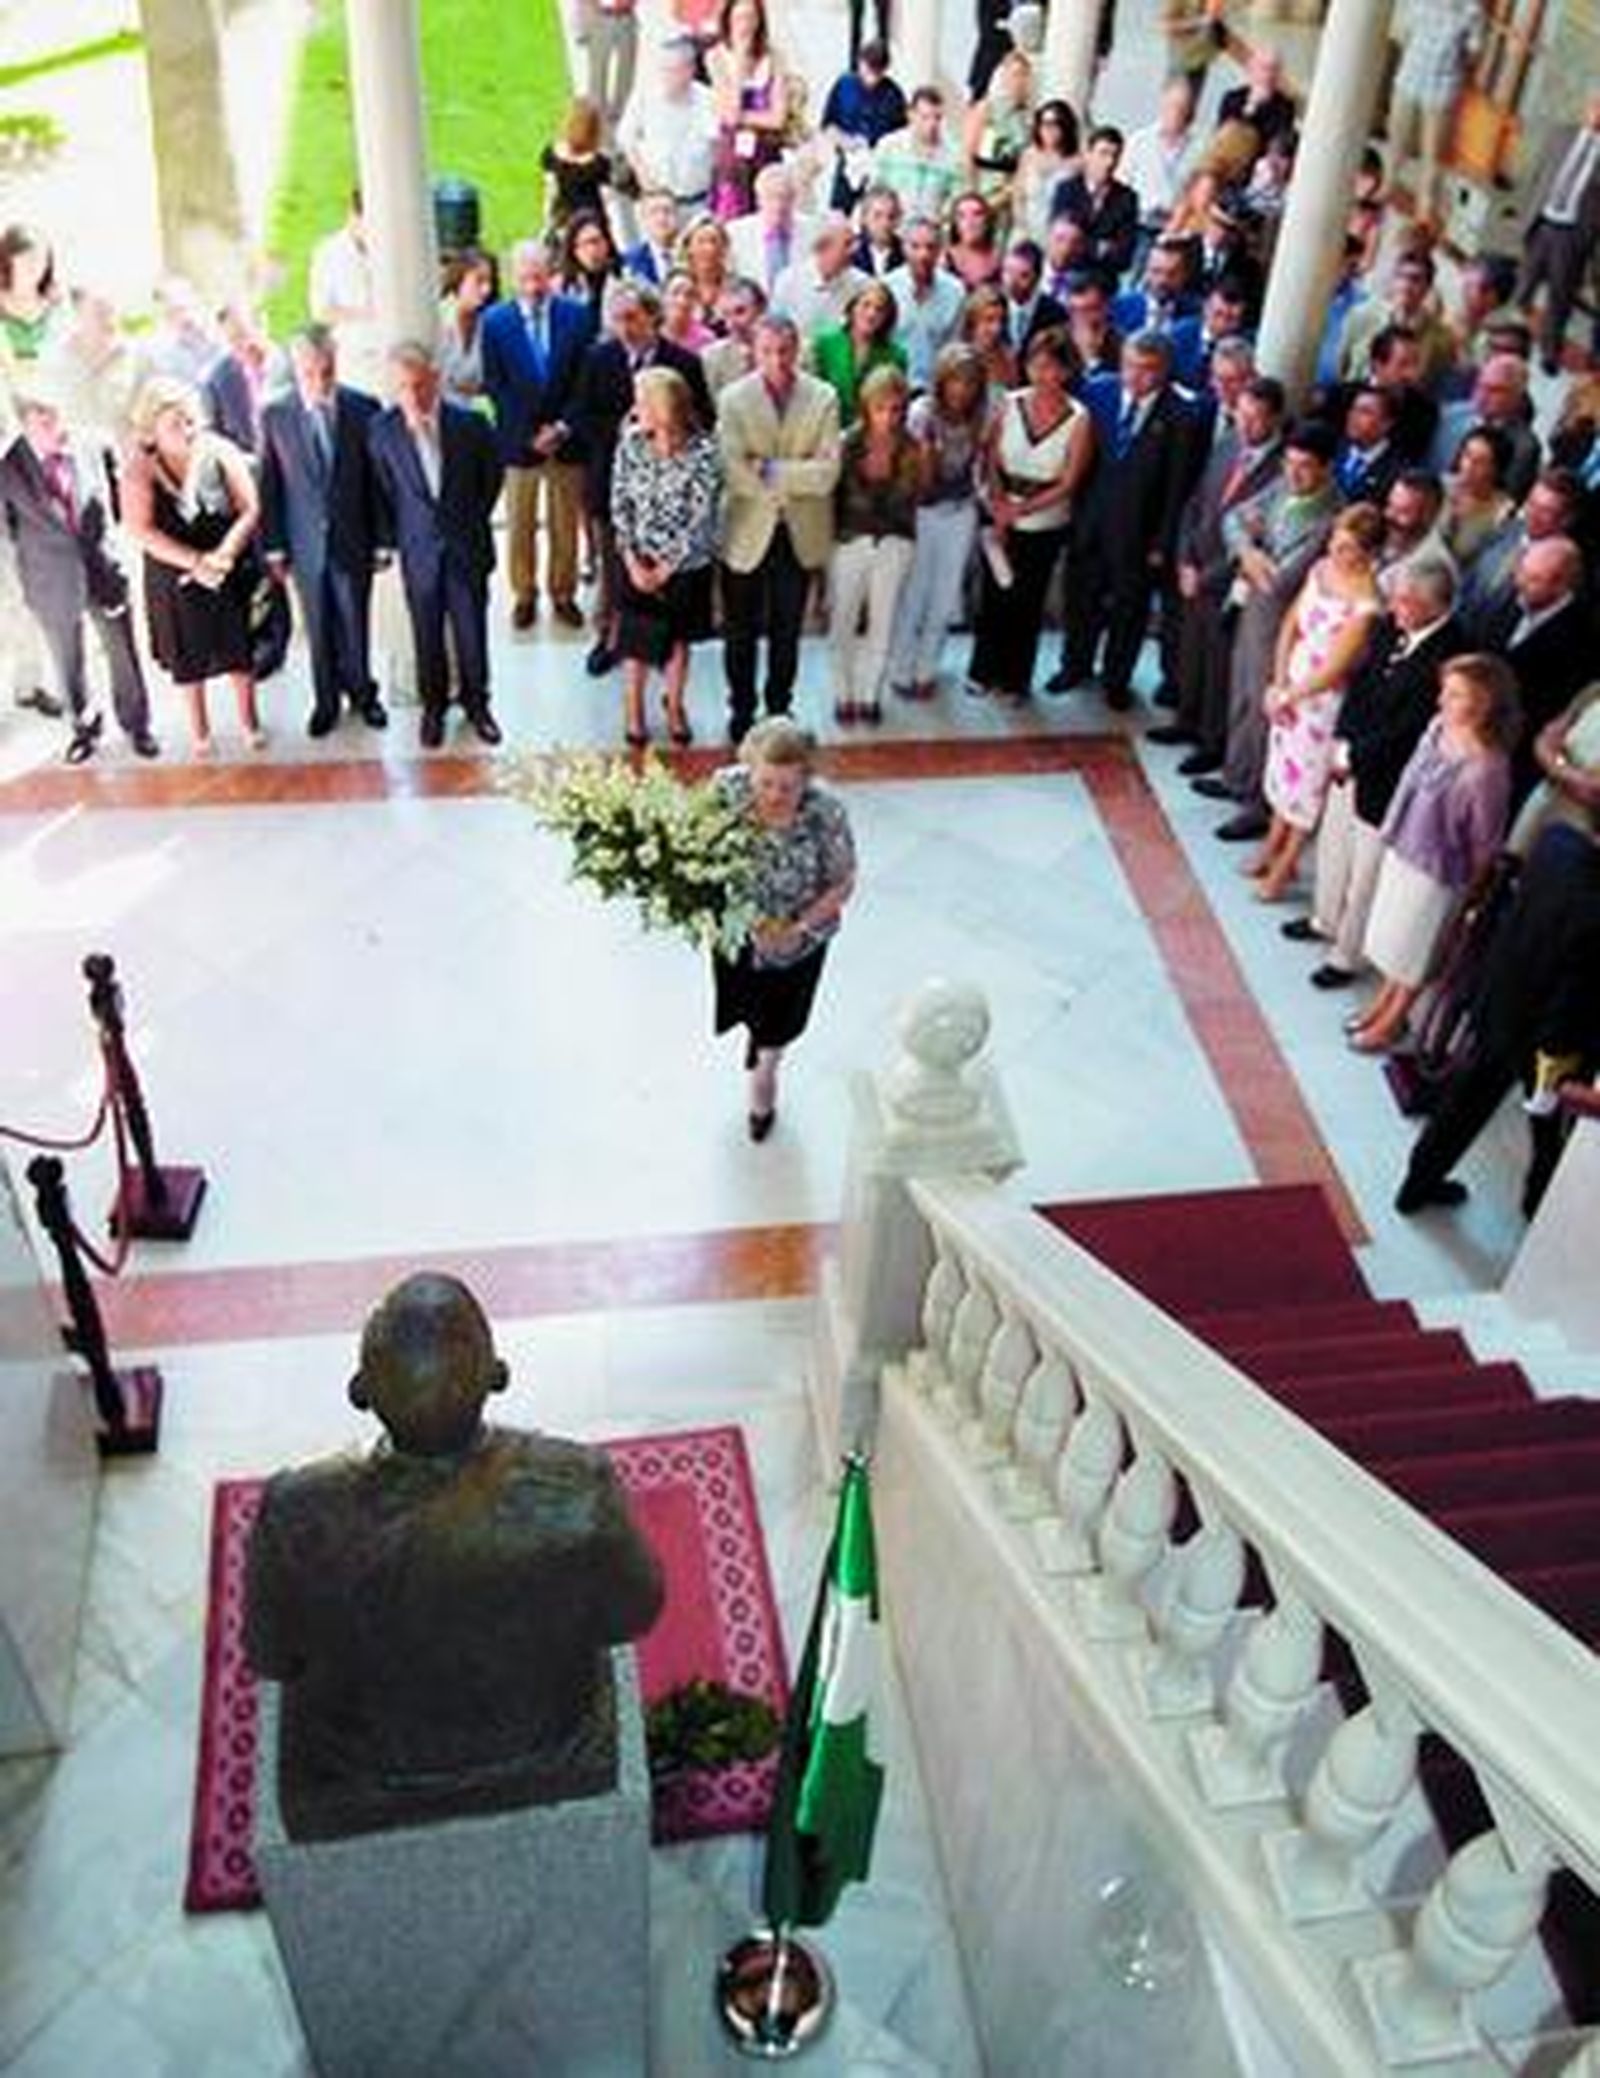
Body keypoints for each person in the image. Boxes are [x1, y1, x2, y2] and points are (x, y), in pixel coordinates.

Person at [244, 1272, 664, 1842]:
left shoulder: (293, 1512)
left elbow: (273, 1659)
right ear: (496, 1375)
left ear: (362, 1388)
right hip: (546, 1745)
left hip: (363, 1768)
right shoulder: (578, 1486)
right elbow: (632, 1615)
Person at [1395, 820, 1600, 1218]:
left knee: (1462, 1104)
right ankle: (1537, 1205)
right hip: (1548, 1043)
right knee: (1548, 1134)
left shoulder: (1555, 842)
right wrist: (1551, 1081)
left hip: (1501, 997)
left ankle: (1416, 1185)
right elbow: (1571, 1004)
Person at [1285, 555, 1466, 987]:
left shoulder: (1452, 652)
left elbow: (1412, 727)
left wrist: (1358, 757)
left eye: (1406, 603)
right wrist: (1342, 742)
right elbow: (1360, 684)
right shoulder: (1388, 627)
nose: (1396, 609)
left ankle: (1345, 954)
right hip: (1351, 756)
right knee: (1334, 845)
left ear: (1436, 607)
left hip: (1389, 777)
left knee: (1366, 869)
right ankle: (1324, 918)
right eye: (1397, 599)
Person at [1349, 651, 1518, 1054]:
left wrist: (1471, 893)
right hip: (1405, 846)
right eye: (1445, 690)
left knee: (1414, 948)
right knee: (1394, 938)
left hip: (1438, 872)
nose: (1442, 700)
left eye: (1455, 694)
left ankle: (1392, 1022)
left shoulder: (1486, 768)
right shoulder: (1438, 727)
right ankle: (1383, 1002)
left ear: (1482, 703)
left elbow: (1485, 840)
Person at [709, 718, 856, 1138]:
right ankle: (758, 1034)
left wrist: (797, 928)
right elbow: (695, 847)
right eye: (765, 782)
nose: (774, 795)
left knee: (781, 1017)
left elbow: (843, 881)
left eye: (787, 786)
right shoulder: (726, 789)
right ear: (749, 768)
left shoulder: (826, 811)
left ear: (807, 778)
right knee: (743, 997)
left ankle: (766, 1072)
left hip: (799, 939)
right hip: (738, 931)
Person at [0, 374, 157, 762]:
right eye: (45, 421)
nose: (58, 427)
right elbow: (8, 531)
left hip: (103, 570)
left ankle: (137, 726)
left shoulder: (94, 445)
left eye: (58, 415)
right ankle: (83, 728)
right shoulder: (7, 469)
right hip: (50, 581)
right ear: (25, 424)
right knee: (67, 661)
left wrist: (110, 549)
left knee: (123, 653)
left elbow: (116, 505)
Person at [1198, 419, 1341, 842]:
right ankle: (1236, 775)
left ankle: (1258, 803)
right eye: (1289, 464)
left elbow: (1285, 578)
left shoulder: (1331, 515)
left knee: (1266, 710)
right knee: (1241, 693)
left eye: (1305, 467)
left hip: (1283, 624)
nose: (1294, 475)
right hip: (1251, 608)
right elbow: (1235, 519)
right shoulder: (1282, 488)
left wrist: (1253, 556)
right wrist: (1247, 550)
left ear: (1327, 469)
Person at [571, 278, 716, 678]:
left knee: (668, 573)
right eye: (616, 319)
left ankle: (665, 644)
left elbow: (704, 420)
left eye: (632, 318)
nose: (624, 328)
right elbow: (582, 415)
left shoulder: (683, 364)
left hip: (673, 490)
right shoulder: (599, 359)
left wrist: (666, 431)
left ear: (654, 317)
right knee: (615, 571)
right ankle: (610, 638)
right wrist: (622, 429)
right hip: (615, 485)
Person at [368, 342, 505, 750]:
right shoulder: (382, 431)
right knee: (426, 633)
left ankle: (478, 705)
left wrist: (467, 520)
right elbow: (385, 491)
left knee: (471, 632)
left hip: (466, 546)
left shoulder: (472, 424)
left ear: (435, 379)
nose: (412, 396)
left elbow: (491, 480)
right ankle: (434, 709)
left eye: (419, 385)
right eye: (403, 388)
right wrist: (400, 538)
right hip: (420, 552)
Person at [121, 375, 263, 757]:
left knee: (239, 651)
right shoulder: (139, 467)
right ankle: (201, 733)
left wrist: (225, 555)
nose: (186, 429)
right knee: (188, 657)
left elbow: (249, 508)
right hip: (174, 574)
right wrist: (194, 563)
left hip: (225, 564)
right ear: (152, 429)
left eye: (190, 420)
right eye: (174, 423)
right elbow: (139, 528)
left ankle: (250, 724)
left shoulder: (219, 450)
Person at [258, 325, 386, 740]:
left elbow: (377, 481)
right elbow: (271, 486)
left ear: (336, 364)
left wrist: (383, 539)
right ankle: (326, 701)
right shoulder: (275, 414)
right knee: (317, 627)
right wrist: (274, 547)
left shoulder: (363, 407)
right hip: (304, 544)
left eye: (326, 371)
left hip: (354, 538)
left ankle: (363, 695)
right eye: (309, 373)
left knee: (356, 620)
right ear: (296, 369)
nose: (319, 381)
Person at [1252, 502, 1384, 903]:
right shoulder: (1320, 571)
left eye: (1346, 548)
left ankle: (1286, 863)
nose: (1335, 553)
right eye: (1334, 542)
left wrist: (1291, 695)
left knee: (1307, 786)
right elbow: (1291, 623)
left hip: (1321, 703)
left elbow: (1335, 666)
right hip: (1290, 685)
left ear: (1367, 553)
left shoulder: (1367, 603)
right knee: (1282, 773)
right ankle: (1271, 844)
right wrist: (1277, 682)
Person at [718, 314, 842, 742]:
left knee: (788, 628)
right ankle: (741, 708)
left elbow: (828, 474)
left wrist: (769, 469)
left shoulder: (823, 396)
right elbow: (733, 471)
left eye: (785, 350)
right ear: (753, 350)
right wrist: (796, 476)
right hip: (746, 531)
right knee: (740, 629)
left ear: (798, 349)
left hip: (800, 531)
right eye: (767, 350)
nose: (778, 360)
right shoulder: (733, 398)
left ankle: (778, 707)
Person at [1055, 330, 1193, 711]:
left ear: (1164, 370)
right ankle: (1074, 665)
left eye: (1147, 370)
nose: (1136, 376)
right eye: (1130, 365)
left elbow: (1177, 488)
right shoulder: (1097, 393)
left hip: (1139, 534)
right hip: (1090, 523)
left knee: (1129, 612)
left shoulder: (1180, 415)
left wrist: (1162, 543)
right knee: (1081, 599)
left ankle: (1117, 678)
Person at [1157, 369, 1286, 766]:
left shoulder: (1282, 470)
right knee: (1190, 652)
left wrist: (1207, 575)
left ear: (1275, 418)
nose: (1246, 425)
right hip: (1195, 566)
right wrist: (1184, 559)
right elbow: (1197, 501)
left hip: (1228, 582)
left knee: (1218, 666)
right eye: (1241, 414)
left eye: (1256, 418)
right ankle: (1185, 719)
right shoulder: (1228, 442)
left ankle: (1211, 741)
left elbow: (1258, 542)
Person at [967, 326, 1093, 702]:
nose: (1043, 376)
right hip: (1000, 511)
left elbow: (1069, 481)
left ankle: (1014, 680)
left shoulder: (1079, 418)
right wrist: (999, 504)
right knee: (993, 597)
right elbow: (989, 456)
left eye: (1053, 368)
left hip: (1045, 522)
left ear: (1067, 371)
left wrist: (1025, 509)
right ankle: (982, 671)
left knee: (1027, 601)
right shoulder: (1009, 402)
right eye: (1036, 366)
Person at [479, 241, 591, 631]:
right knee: (520, 523)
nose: (533, 286)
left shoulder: (577, 318)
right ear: (514, 278)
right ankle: (524, 594)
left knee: (565, 523)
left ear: (552, 275)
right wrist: (529, 434)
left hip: (567, 438)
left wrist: (561, 427)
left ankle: (564, 592)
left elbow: (583, 381)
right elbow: (496, 386)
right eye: (525, 278)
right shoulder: (494, 322)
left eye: (540, 277)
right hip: (519, 441)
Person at [611, 366, 723, 747]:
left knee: (678, 640)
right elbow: (619, 502)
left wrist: (665, 569)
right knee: (635, 641)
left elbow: (700, 515)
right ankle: (634, 710)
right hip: (637, 559)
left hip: (685, 566)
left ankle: (674, 706)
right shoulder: (630, 444)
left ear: (664, 407)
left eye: (642, 400)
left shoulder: (704, 451)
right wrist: (631, 559)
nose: (635, 407)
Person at [887, 343, 992, 700]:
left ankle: (928, 665)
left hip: (961, 509)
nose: (961, 390)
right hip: (923, 509)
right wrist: (930, 453)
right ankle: (901, 663)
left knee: (946, 593)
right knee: (915, 590)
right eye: (955, 381)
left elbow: (982, 469)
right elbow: (919, 482)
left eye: (970, 382)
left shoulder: (982, 415)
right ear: (942, 380)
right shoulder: (923, 413)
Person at [829, 363, 919, 723]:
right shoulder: (845, 443)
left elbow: (912, 500)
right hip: (849, 539)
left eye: (897, 409)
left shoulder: (913, 448)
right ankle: (843, 692)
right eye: (881, 408)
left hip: (895, 542)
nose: (889, 416)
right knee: (843, 619)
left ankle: (870, 695)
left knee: (883, 622)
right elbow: (832, 499)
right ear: (867, 406)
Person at [1515, 89, 1600, 375]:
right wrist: (1527, 212)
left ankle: (1550, 351)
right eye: (1596, 105)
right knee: (1525, 280)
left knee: (1559, 296)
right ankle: (1513, 333)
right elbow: (1539, 174)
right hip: (1544, 219)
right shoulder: (1562, 135)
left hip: (1573, 231)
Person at [1389, 0, 1480, 228]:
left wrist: (1456, 69)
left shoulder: (1471, 10)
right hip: (1410, 74)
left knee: (1432, 151)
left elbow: (1474, 51)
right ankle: (1387, 184)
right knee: (1397, 134)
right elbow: (1404, 32)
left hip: (1443, 84)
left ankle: (1425, 207)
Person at [616, 35, 719, 219]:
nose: (668, 77)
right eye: (664, 70)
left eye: (675, 70)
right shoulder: (645, 96)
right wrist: (642, 173)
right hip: (660, 202)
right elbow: (625, 136)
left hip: (700, 199)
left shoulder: (707, 99)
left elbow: (717, 142)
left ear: (690, 69)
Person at [708, 0, 791, 221]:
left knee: (768, 212)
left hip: (765, 149)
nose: (745, 25)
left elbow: (778, 118)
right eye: (739, 18)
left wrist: (743, 118)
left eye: (750, 18)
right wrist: (740, 63)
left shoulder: (774, 58)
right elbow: (729, 113)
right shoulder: (716, 57)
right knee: (733, 213)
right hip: (733, 155)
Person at [818, 39, 907, 216]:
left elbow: (902, 135)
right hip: (848, 160)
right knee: (839, 215)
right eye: (868, 71)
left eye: (878, 73)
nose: (872, 79)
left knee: (875, 214)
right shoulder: (844, 85)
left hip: (880, 166)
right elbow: (828, 124)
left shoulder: (893, 94)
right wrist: (845, 141)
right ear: (860, 63)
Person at [1049, 125, 1139, 287]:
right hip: (1067, 277)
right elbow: (1059, 243)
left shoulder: (1127, 198)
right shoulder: (1067, 189)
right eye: (1103, 153)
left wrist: (1079, 243)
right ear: (1088, 154)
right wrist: (1101, 247)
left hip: (1103, 282)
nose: (1109, 162)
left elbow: (1124, 257)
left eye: (1115, 156)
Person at [308, 188, 379, 391]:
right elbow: (320, 311)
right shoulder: (328, 253)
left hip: (389, 359)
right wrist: (365, 312)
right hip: (354, 365)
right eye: (368, 223)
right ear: (353, 216)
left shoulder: (390, 246)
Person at [885, 215, 965, 392]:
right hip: (894, 388)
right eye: (915, 247)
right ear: (903, 248)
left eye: (930, 247)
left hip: (937, 390)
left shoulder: (955, 291)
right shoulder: (887, 288)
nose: (923, 255)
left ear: (940, 250)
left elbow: (955, 347)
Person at [810, 278, 905, 426]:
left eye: (879, 309)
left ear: (887, 317)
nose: (871, 313)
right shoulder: (824, 344)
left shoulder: (896, 355)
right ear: (852, 307)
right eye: (866, 305)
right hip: (828, 429)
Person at [1121, 77, 1200, 250]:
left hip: (1174, 230)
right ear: (1162, 105)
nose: (1176, 112)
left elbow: (1197, 194)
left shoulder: (1199, 150)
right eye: (1172, 106)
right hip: (1137, 226)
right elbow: (1122, 183)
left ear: (1191, 112)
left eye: (1182, 107)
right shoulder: (1139, 141)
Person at [726, 165, 822, 302]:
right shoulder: (735, 233)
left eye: (785, 197)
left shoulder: (814, 231)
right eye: (771, 197)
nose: (779, 205)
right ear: (759, 200)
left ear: (795, 199)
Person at [872, 86, 965, 226]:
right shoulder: (889, 146)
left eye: (937, 118)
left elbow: (956, 198)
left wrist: (942, 218)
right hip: (894, 229)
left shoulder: (953, 154)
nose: (932, 124)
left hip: (932, 233)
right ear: (911, 114)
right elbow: (875, 190)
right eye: (925, 117)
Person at [963, 47, 1036, 221]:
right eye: (1014, 74)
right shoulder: (986, 109)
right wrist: (972, 194)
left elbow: (1027, 159)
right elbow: (967, 153)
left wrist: (1011, 190)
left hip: (1010, 191)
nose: (1018, 81)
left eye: (1023, 75)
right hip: (983, 184)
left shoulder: (1029, 119)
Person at [773, 216, 868, 340]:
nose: (855, 250)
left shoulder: (862, 284)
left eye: (855, 242)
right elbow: (775, 330)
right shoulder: (788, 281)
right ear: (822, 248)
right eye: (847, 244)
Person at [1440, 425, 1516, 577]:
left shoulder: (1503, 513)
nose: (1468, 466)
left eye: (1480, 462)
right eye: (1467, 455)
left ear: (1495, 470)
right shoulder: (1440, 486)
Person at [542, 96, 615, 233]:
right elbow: (607, 197)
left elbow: (551, 191)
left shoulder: (552, 153)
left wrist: (547, 221)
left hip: (564, 219)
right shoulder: (600, 162)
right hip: (592, 220)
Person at [1013, 101, 1081, 244]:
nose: (1048, 130)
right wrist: (1023, 228)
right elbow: (1018, 196)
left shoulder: (1077, 163)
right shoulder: (1028, 155)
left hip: (1058, 237)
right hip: (1026, 231)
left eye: (1055, 124)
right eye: (1044, 124)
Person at [438, 247, 498, 407]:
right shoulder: (439, 320)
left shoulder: (487, 324)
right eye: (478, 281)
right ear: (459, 279)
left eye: (489, 282)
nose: (487, 290)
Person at [575, 0, 639, 144]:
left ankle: (621, 116)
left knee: (626, 70)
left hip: (626, 17)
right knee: (597, 71)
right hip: (601, 17)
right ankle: (596, 121)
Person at [559, 211, 623, 339]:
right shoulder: (565, 289)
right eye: (584, 244)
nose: (592, 250)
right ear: (574, 251)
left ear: (606, 243)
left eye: (596, 241)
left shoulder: (626, 279)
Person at [703, 275, 768, 395]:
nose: (731, 324)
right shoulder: (713, 358)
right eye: (726, 315)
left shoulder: (793, 349)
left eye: (740, 312)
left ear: (761, 308)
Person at [960, 281, 1020, 401]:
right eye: (989, 319)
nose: (996, 328)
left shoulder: (1008, 357)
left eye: (1001, 320)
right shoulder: (960, 358)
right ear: (974, 320)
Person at [945, 191, 1003, 293]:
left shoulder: (1002, 260)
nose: (970, 221)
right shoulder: (944, 262)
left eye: (977, 214)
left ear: (988, 220)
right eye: (961, 215)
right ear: (955, 223)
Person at [622, 191, 683, 288]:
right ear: (644, 220)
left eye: (667, 211)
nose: (661, 218)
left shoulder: (691, 253)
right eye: (653, 212)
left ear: (677, 215)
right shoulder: (632, 260)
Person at [852, 184, 905, 280]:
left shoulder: (905, 254)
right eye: (877, 216)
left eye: (891, 217)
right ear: (864, 218)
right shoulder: (850, 251)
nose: (885, 223)